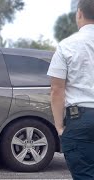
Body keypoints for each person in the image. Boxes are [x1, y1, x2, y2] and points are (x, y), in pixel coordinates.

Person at [47, 0, 94, 179]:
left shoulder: (66, 46)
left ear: (79, 13)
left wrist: (59, 126)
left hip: (80, 119)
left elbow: (57, 89)